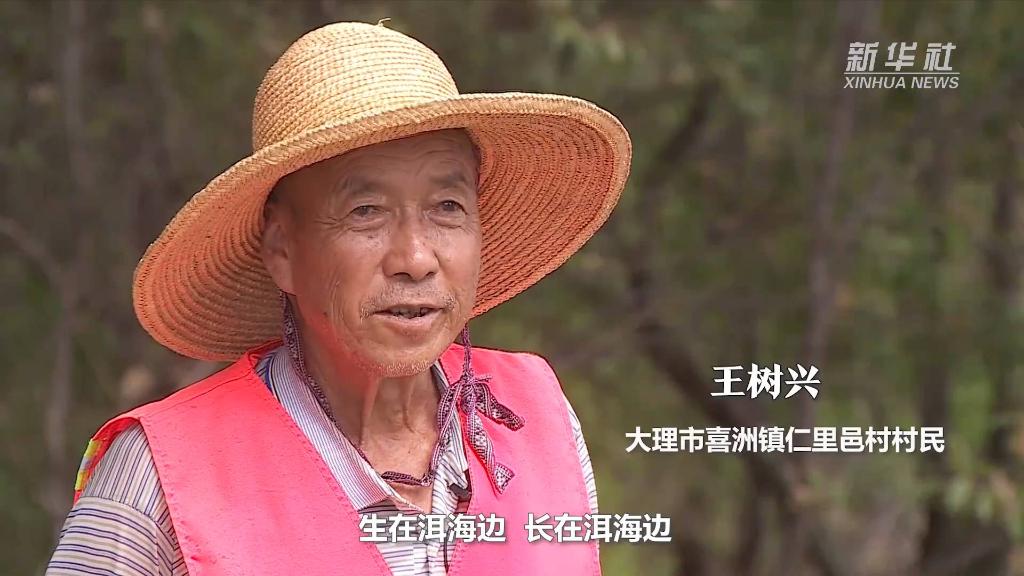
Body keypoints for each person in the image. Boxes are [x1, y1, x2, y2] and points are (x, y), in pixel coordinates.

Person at [47, 20, 630, 576]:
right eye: (366, 211)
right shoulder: (160, 474)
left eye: (447, 207)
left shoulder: (539, 417)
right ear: (282, 248)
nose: (416, 258)